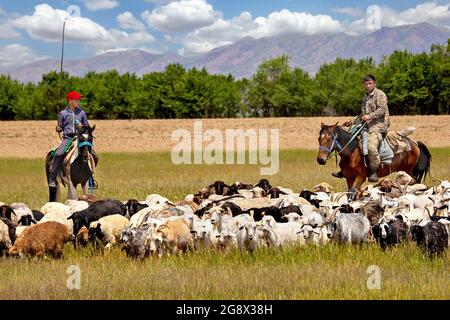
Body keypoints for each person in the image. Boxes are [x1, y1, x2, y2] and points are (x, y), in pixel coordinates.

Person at [332, 75, 390, 182]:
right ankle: (345, 169)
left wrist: (370, 116)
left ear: (374, 84)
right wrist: (352, 122)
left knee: (371, 147)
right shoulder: (365, 97)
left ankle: (373, 170)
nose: (368, 86)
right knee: (348, 142)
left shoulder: (380, 94)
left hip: (378, 127)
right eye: (366, 84)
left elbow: (382, 109)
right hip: (366, 126)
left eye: (370, 83)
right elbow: (362, 115)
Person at [48, 91, 98, 188]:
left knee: (94, 155)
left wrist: (89, 129)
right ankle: (52, 177)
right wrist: (58, 128)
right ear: (70, 101)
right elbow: (60, 126)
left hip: (81, 138)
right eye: (77, 99)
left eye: (79, 99)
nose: (79, 101)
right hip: (68, 138)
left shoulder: (82, 113)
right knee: (59, 154)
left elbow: (86, 125)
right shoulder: (63, 113)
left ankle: (90, 177)